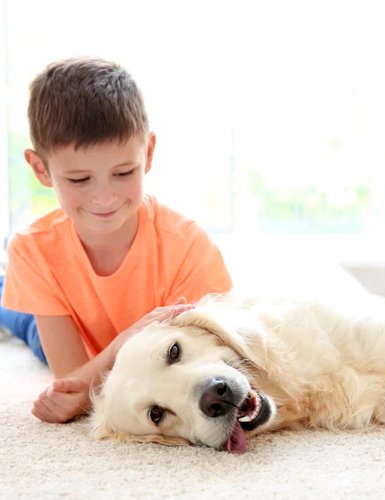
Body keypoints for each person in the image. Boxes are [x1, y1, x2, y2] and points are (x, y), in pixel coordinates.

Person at [0, 57, 232, 424]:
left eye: (123, 172)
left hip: (92, 356)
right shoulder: (32, 249)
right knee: (19, 317)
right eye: (79, 179)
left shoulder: (188, 248)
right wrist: (123, 342)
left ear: (148, 153)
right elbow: (70, 382)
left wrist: (99, 366)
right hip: (72, 339)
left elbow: (191, 369)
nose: (104, 197)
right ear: (40, 169)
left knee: (22, 315)